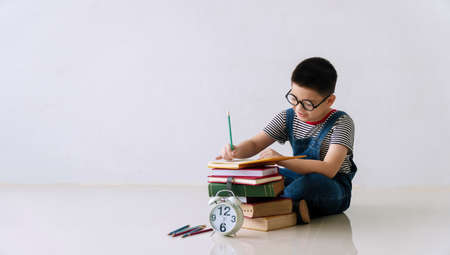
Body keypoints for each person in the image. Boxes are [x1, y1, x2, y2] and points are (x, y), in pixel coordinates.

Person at [216, 57, 357, 224]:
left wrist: (281, 160)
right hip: (297, 175)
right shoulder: (287, 117)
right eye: (294, 99)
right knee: (262, 178)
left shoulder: (341, 122)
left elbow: (329, 169)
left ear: (329, 100)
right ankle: (292, 206)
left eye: (308, 104)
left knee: (306, 185)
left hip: (333, 186)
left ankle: (279, 205)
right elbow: (255, 143)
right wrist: (236, 150)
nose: (298, 108)